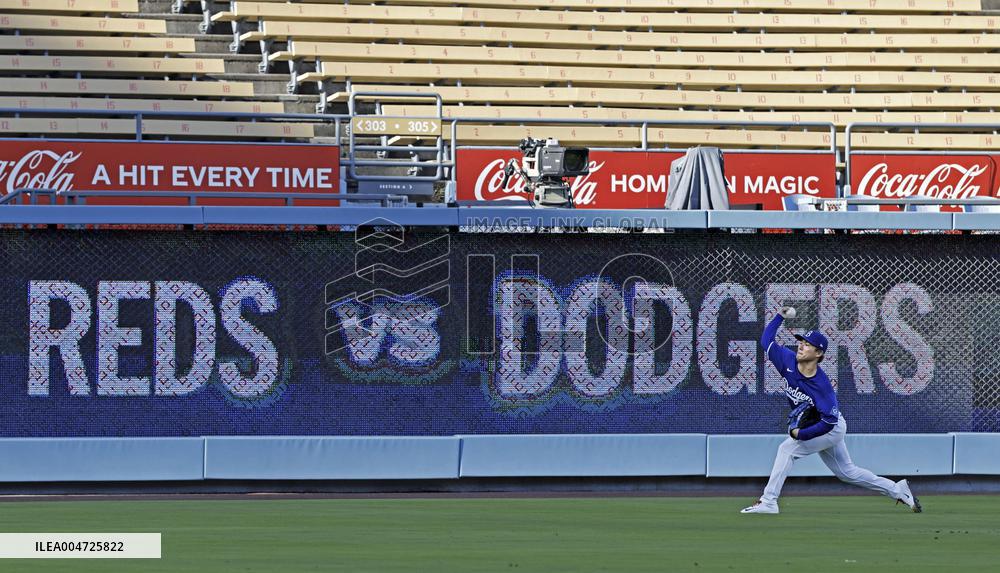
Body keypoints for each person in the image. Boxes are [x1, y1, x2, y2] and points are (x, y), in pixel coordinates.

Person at [740, 306, 922, 514]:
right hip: (822, 424)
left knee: (786, 449)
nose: (801, 346)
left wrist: (802, 434)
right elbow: (767, 341)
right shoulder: (787, 361)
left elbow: (829, 422)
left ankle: (769, 501)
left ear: (818, 353)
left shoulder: (822, 386)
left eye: (808, 345)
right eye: (801, 341)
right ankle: (897, 490)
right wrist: (780, 316)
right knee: (848, 473)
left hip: (830, 428)